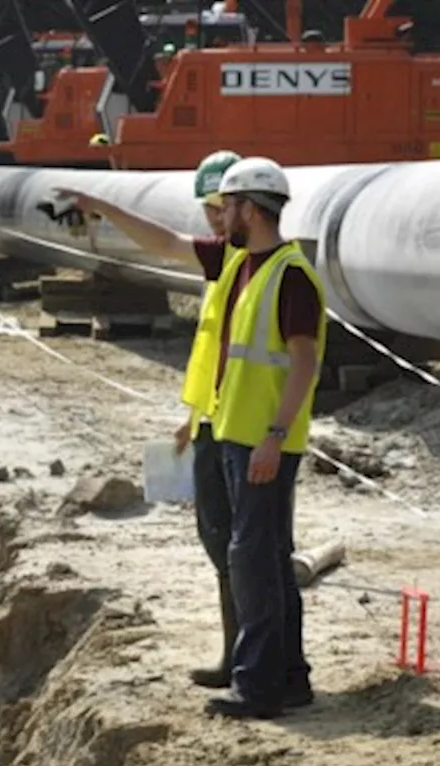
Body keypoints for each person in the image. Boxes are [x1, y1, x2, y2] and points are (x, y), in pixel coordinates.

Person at [57, 156, 325, 720]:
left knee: (253, 558)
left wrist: (275, 438)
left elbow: (304, 361)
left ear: (250, 210)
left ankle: (257, 686)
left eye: (226, 206)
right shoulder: (238, 260)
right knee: (267, 558)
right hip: (235, 432)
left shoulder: (290, 274)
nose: (218, 216)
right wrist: (102, 207)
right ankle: (291, 677)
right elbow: (166, 243)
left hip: (262, 439)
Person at [177, 149, 241, 691]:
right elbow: (210, 351)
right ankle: (235, 655)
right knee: (217, 540)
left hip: (243, 428)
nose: (214, 218)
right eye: (209, 208)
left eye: (221, 206)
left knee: (237, 545)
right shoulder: (220, 268)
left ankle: (244, 660)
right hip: (212, 419)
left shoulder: (241, 263)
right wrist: (192, 414)